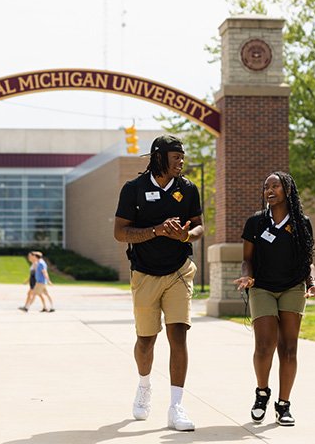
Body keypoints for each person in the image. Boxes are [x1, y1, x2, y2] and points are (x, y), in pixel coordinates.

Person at [113, 135, 203, 432]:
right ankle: (144, 385)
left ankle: (176, 406)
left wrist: (185, 236)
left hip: (178, 271)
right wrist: (157, 231)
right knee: (146, 340)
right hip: (145, 272)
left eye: (182, 156)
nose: (181, 161)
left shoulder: (188, 189)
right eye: (176, 156)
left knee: (179, 336)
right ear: (159, 156)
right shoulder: (134, 189)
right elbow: (120, 232)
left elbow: (199, 226)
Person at [233, 171, 315, 426]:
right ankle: (262, 393)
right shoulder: (256, 223)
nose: (270, 190)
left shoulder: (302, 222)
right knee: (264, 344)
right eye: (266, 187)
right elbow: (247, 260)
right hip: (261, 287)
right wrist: (247, 277)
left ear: (288, 190)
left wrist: (312, 283)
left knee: (289, 347)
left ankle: (284, 405)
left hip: (292, 288)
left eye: (276, 186)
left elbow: (308, 261)